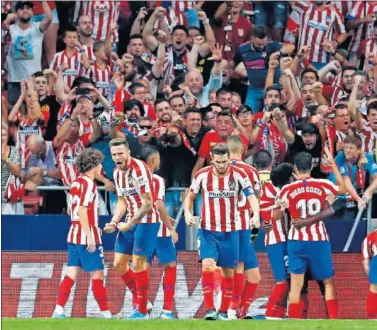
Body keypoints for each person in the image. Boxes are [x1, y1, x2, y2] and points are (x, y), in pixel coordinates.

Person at [184, 143, 260, 320]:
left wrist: (256, 214)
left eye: (224, 162)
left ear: (228, 159)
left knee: (228, 271)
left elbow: (251, 196)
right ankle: (210, 310)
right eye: (218, 162)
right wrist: (188, 213)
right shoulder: (202, 175)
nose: (221, 166)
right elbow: (190, 196)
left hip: (231, 230)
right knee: (208, 264)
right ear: (212, 158)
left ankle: (225, 311)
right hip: (208, 230)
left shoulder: (240, 175)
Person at [278, 150, 346, 319]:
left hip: (296, 240)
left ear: (295, 168)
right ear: (312, 166)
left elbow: (277, 215)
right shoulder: (322, 184)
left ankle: (294, 322)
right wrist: (333, 165)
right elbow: (343, 187)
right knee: (327, 282)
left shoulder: (287, 189)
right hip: (319, 240)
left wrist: (282, 206)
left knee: (296, 284)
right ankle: (334, 321)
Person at [52, 149, 113, 319]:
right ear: (93, 165)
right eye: (99, 163)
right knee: (97, 273)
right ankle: (106, 313)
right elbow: (82, 209)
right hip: (86, 234)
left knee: (72, 272)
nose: (101, 167)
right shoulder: (88, 184)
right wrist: (90, 234)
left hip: (73, 233)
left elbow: (74, 209)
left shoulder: (76, 182)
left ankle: (58, 310)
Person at [104, 138, 160, 320]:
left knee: (137, 264)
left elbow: (148, 203)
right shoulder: (117, 172)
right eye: (114, 154)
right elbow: (122, 201)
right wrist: (114, 222)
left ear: (128, 152)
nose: (117, 157)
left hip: (147, 221)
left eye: (120, 153)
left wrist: (129, 224)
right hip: (129, 221)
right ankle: (143, 301)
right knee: (118, 264)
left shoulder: (139, 169)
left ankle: (142, 311)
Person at [142, 147, 179, 320]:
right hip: (159, 231)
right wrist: (170, 228)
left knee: (141, 268)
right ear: (154, 161)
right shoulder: (156, 180)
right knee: (170, 266)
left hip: (142, 230)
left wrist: (166, 217)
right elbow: (158, 204)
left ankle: (142, 306)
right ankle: (166, 311)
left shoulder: (133, 179)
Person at [226, 136, 261, 320]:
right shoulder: (250, 171)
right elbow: (257, 197)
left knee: (254, 276)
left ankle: (240, 312)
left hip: (232, 226)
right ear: (242, 149)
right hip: (239, 225)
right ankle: (231, 310)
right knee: (237, 268)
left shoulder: (219, 169)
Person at [4, 1, 52, 109]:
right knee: (15, 112)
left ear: (32, 12)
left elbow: (49, 18)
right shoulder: (10, 30)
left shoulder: (37, 28)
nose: (25, 10)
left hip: (33, 80)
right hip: (15, 80)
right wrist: (6, 21)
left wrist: (43, 1)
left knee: (33, 111)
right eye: (21, 8)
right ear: (16, 13)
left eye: (28, 8)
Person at [1, 122, 24, 215]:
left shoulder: (14, 150)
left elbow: (17, 172)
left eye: (4, 135)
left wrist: (6, 159)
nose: (2, 138)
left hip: (12, 199)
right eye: (0, 135)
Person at [362, 229, 377, 319]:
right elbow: (365, 258)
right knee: (374, 287)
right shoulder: (370, 237)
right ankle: (371, 318)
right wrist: (370, 272)